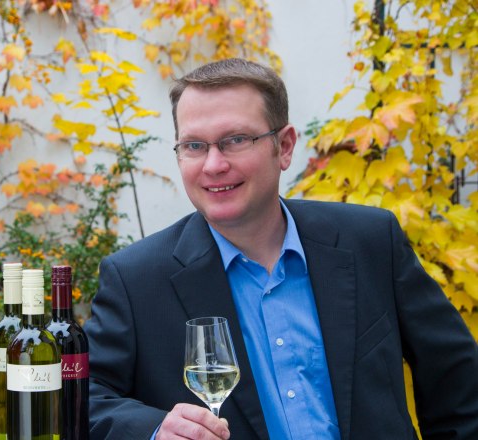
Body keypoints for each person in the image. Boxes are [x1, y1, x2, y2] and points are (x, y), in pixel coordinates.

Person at [84, 58, 478, 440]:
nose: (213, 164)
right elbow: (85, 398)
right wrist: (154, 430)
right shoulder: (136, 280)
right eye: (194, 145)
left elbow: (458, 381)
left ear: (284, 146)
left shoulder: (370, 242)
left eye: (236, 140)